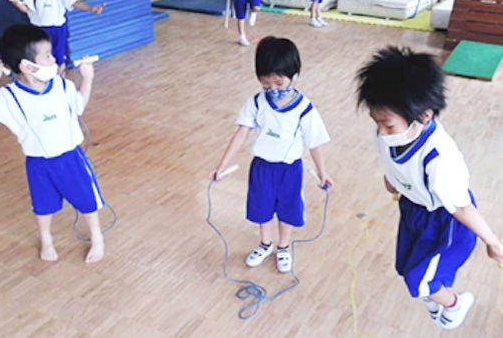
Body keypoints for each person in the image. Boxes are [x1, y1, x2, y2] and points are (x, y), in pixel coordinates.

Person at [356, 46, 503, 330]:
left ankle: (455, 303)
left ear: (424, 116)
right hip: (413, 210)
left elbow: (461, 206)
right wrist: (393, 182)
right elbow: (390, 162)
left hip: (447, 221)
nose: (381, 132)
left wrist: (493, 242)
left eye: (388, 125)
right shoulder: (385, 133)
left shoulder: (440, 159)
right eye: (377, 123)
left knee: (418, 279)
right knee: (406, 267)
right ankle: (436, 298)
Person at [210, 36, 333, 273]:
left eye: (279, 83)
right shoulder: (256, 102)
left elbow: (314, 143)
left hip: (290, 169)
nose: (273, 89)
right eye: (267, 84)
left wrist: (322, 173)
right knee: (261, 207)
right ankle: (265, 243)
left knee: (288, 208)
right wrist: (222, 165)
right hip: (262, 168)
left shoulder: (304, 108)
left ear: (295, 75)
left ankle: (283, 247)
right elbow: (241, 134)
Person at [0, 24, 105, 263]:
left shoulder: (63, 85)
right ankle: (46, 240)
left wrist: (88, 79)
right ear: (27, 66)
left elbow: (79, 107)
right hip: (38, 163)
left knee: (87, 199)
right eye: (47, 56)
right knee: (43, 205)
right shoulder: (6, 98)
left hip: (70, 158)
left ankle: (97, 238)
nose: (54, 59)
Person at [7, 0, 105, 74]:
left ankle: (60, 82)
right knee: (41, 58)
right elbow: (25, 8)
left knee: (60, 59)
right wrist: (14, 1)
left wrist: (92, 8)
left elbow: (73, 2)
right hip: (39, 30)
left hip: (58, 29)